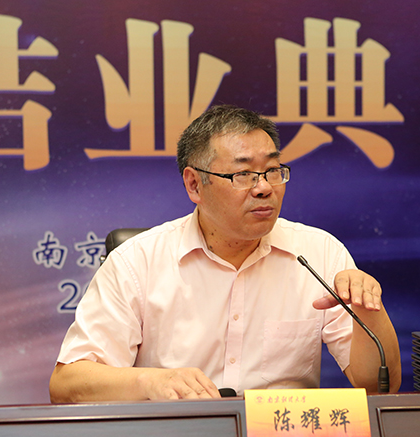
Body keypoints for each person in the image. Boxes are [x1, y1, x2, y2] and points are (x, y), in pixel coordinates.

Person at [49, 105, 400, 402]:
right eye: (243, 174)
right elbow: (66, 385)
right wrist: (150, 381)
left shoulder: (319, 254)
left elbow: (378, 387)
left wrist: (369, 310)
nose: (264, 188)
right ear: (194, 184)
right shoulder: (136, 263)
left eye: (273, 171)